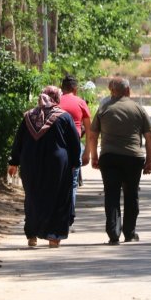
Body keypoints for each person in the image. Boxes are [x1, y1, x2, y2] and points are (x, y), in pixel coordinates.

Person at [8, 86, 80, 248]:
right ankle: (53, 236)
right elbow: (74, 143)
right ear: (56, 98)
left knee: (33, 197)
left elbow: (18, 141)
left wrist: (14, 162)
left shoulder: (28, 117)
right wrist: (75, 163)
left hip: (30, 164)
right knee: (58, 198)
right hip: (57, 165)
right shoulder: (64, 117)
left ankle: (32, 234)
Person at [89, 77, 151, 245]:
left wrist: (94, 156)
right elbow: (149, 137)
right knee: (131, 194)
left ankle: (113, 233)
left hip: (109, 157)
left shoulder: (104, 108)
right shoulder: (138, 109)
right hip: (133, 158)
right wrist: (149, 161)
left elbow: (93, 134)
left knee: (111, 194)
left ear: (112, 91)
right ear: (128, 91)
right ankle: (130, 232)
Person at [58, 74, 92, 223]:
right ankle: (69, 215)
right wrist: (88, 153)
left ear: (62, 88)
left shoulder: (55, 101)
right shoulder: (80, 102)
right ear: (75, 89)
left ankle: (57, 214)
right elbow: (90, 131)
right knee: (72, 183)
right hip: (74, 147)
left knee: (56, 182)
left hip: (56, 146)